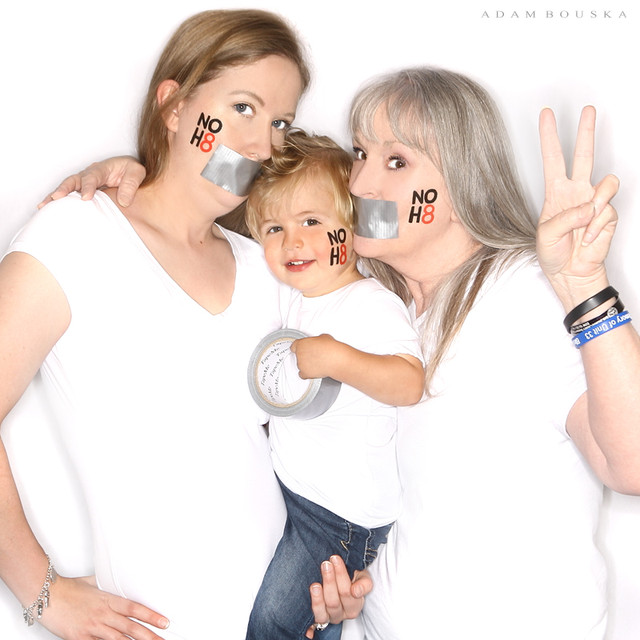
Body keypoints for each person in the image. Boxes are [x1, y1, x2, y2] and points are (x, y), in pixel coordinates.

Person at [33, 67, 640, 638]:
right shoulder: (366, 300)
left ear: (462, 182)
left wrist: (583, 288)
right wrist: (142, 182)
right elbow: (267, 207)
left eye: (397, 161)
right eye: (360, 154)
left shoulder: (520, 292)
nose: (363, 182)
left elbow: (630, 466)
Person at [0, 9, 352, 640]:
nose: (260, 145)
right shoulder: (77, 235)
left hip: (294, 621)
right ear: (174, 105)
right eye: (242, 108)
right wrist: (41, 594)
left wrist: (334, 580)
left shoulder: (269, 269)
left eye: (280, 122)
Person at [242, 130, 424, 639]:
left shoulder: (370, 302)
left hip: (339, 516)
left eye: (312, 222)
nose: (292, 241)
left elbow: (408, 382)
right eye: (275, 228)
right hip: (295, 494)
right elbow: (214, 208)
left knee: (274, 620)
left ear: (353, 226)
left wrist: (339, 359)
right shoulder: (291, 297)